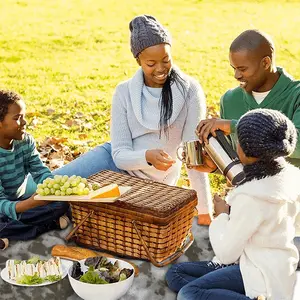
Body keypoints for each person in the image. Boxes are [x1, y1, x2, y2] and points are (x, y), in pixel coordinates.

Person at [51, 15, 212, 225]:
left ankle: (58, 217)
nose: (161, 69)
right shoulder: (124, 91)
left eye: (166, 59)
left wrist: (205, 211)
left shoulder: (190, 91)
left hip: (148, 184)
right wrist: (146, 156)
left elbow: (193, 156)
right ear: (138, 61)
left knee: (69, 206)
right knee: (50, 188)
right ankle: (12, 214)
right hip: (113, 162)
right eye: (151, 63)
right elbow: (118, 155)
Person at [166, 108, 300, 300]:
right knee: (176, 274)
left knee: (188, 293)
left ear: (244, 151)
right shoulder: (291, 178)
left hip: (259, 273)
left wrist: (222, 215)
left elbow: (226, 253)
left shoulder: (251, 197)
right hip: (276, 266)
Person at [195, 29, 300, 171]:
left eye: (242, 69)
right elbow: (239, 161)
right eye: (234, 68)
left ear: (266, 63)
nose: (236, 75)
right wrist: (216, 167)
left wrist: (235, 127)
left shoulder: (296, 95)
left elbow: (297, 144)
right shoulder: (230, 100)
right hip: (249, 189)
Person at [0, 90, 70, 249]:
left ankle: (10, 232)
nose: (24, 122)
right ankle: (46, 225)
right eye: (17, 118)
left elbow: (40, 171)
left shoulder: (25, 142)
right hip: (5, 206)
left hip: (19, 202)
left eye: (23, 116)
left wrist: (54, 189)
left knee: (62, 204)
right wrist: (30, 204)